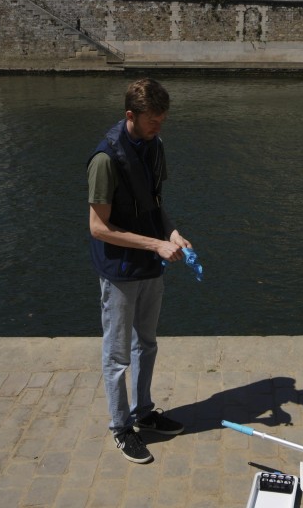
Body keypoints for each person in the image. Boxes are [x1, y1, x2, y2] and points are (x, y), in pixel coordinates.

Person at [88, 78, 189, 464]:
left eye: (163, 119)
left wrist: (174, 234)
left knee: (147, 342)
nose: (159, 127)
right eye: (153, 121)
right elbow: (97, 227)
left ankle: (143, 412)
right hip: (119, 270)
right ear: (130, 116)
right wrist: (156, 245)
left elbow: (155, 205)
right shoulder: (104, 160)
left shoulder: (155, 146)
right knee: (117, 355)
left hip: (151, 262)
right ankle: (120, 427)